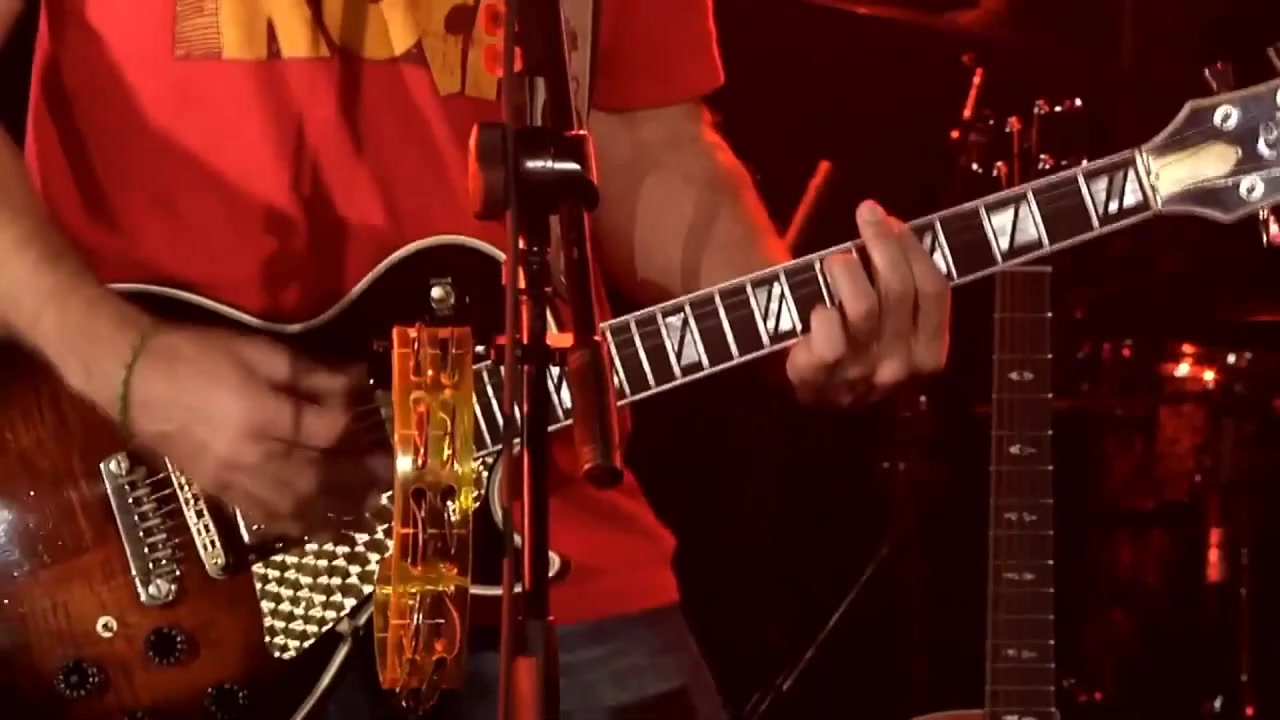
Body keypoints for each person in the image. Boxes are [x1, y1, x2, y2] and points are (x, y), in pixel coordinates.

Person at [0, 1, 950, 718]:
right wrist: (129, 366)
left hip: (533, 521)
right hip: (157, 540)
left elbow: (643, 137)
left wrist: (792, 315)